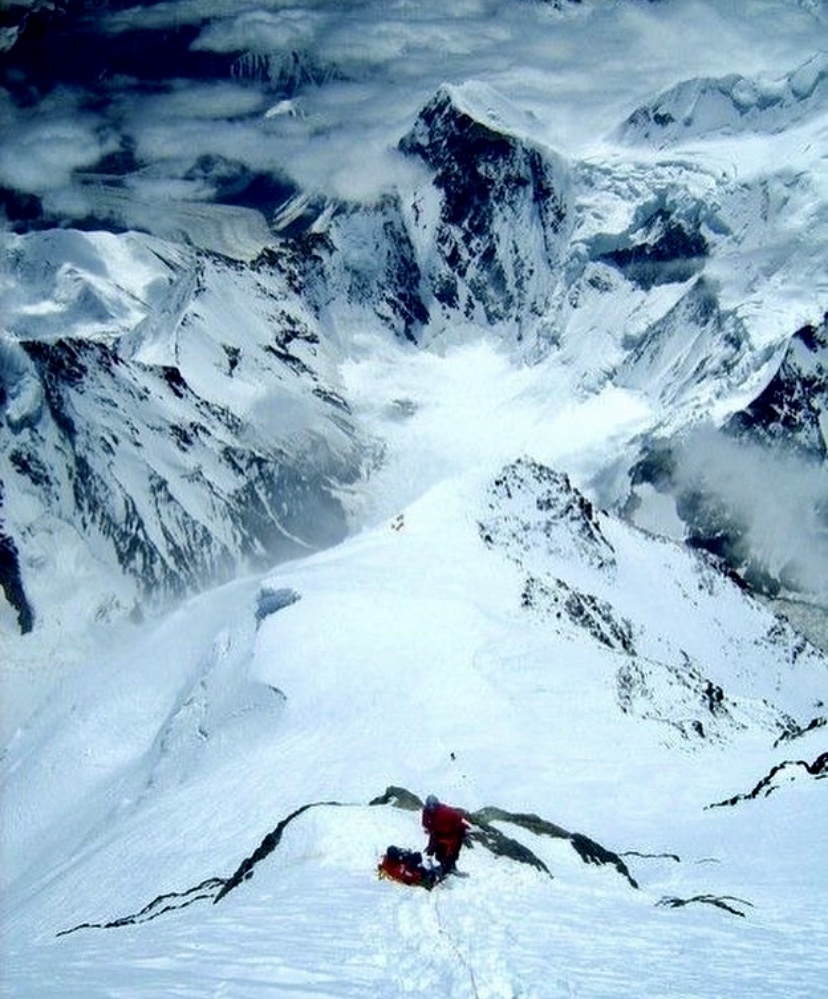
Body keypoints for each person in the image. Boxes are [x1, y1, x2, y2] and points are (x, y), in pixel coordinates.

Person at [421, 794, 470, 876]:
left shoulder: (444, 812)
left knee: (451, 850)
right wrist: (431, 848)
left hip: (455, 831)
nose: (431, 808)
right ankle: (446, 866)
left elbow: (458, 819)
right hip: (441, 832)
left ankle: (450, 867)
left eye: (433, 805)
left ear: (437, 805)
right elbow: (429, 827)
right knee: (439, 851)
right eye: (429, 805)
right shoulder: (426, 812)